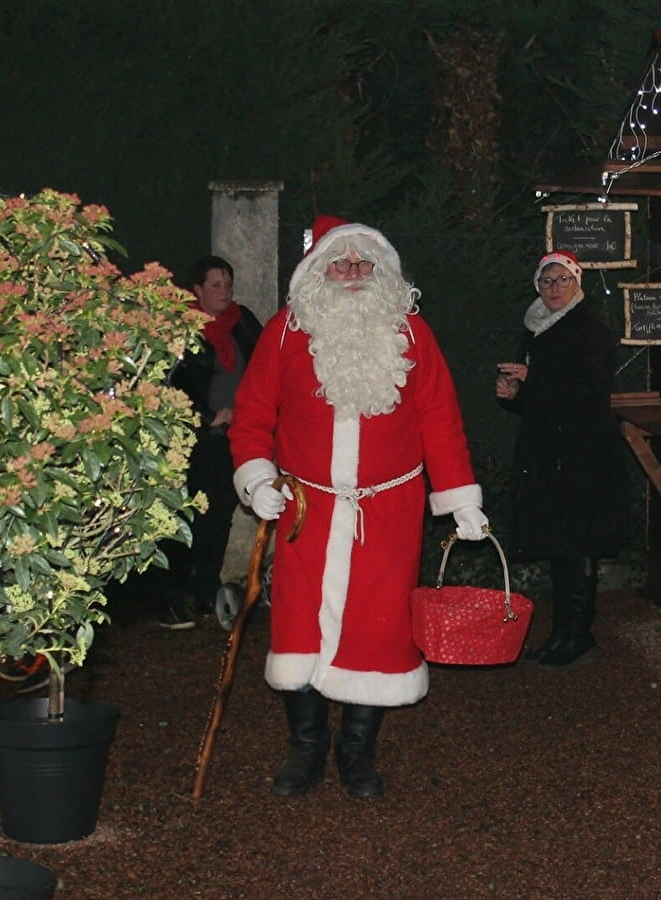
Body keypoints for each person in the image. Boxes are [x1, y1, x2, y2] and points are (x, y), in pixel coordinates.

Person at [229, 215, 488, 800]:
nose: (352, 274)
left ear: (385, 273)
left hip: (389, 511)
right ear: (319, 270)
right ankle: (307, 747)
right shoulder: (286, 331)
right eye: (340, 264)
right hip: (306, 509)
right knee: (298, 626)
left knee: (380, 626)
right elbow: (251, 417)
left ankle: (357, 751)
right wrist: (256, 477)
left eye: (364, 264)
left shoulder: (413, 334)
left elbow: (440, 421)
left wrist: (460, 498)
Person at [495, 250, 628, 668]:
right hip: (548, 450)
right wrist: (515, 396)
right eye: (547, 281)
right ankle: (564, 631)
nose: (554, 289)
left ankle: (577, 632)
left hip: (582, 452)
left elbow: (589, 392)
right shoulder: (535, 326)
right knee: (559, 542)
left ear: (577, 284)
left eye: (562, 281)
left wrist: (533, 382)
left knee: (576, 541)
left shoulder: (589, 330)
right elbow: (539, 397)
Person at [165, 255, 264, 629]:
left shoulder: (243, 323)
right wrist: (208, 417)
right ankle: (175, 598)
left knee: (219, 516)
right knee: (188, 517)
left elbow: (264, 366)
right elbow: (168, 383)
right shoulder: (183, 328)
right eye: (217, 286)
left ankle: (206, 594)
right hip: (193, 439)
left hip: (232, 438)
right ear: (197, 290)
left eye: (228, 285)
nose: (226, 293)